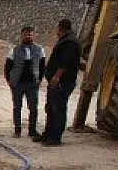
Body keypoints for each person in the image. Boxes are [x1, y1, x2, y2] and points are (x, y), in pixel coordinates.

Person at [33, 18, 82, 146]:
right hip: (56, 82)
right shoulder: (65, 41)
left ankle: (55, 138)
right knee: (50, 108)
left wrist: (56, 77)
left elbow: (65, 62)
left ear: (60, 28)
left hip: (62, 82)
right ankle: (47, 135)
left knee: (58, 110)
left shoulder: (70, 43)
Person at [5, 25, 45, 139]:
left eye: (30, 34)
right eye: (25, 34)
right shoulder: (14, 50)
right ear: (22, 36)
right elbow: (8, 66)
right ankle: (17, 130)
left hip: (32, 84)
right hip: (17, 84)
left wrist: (39, 79)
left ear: (33, 35)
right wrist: (9, 80)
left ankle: (32, 130)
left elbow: (42, 66)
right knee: (17, 107)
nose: (28, 36)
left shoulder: (39, 49)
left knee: (33, 108)